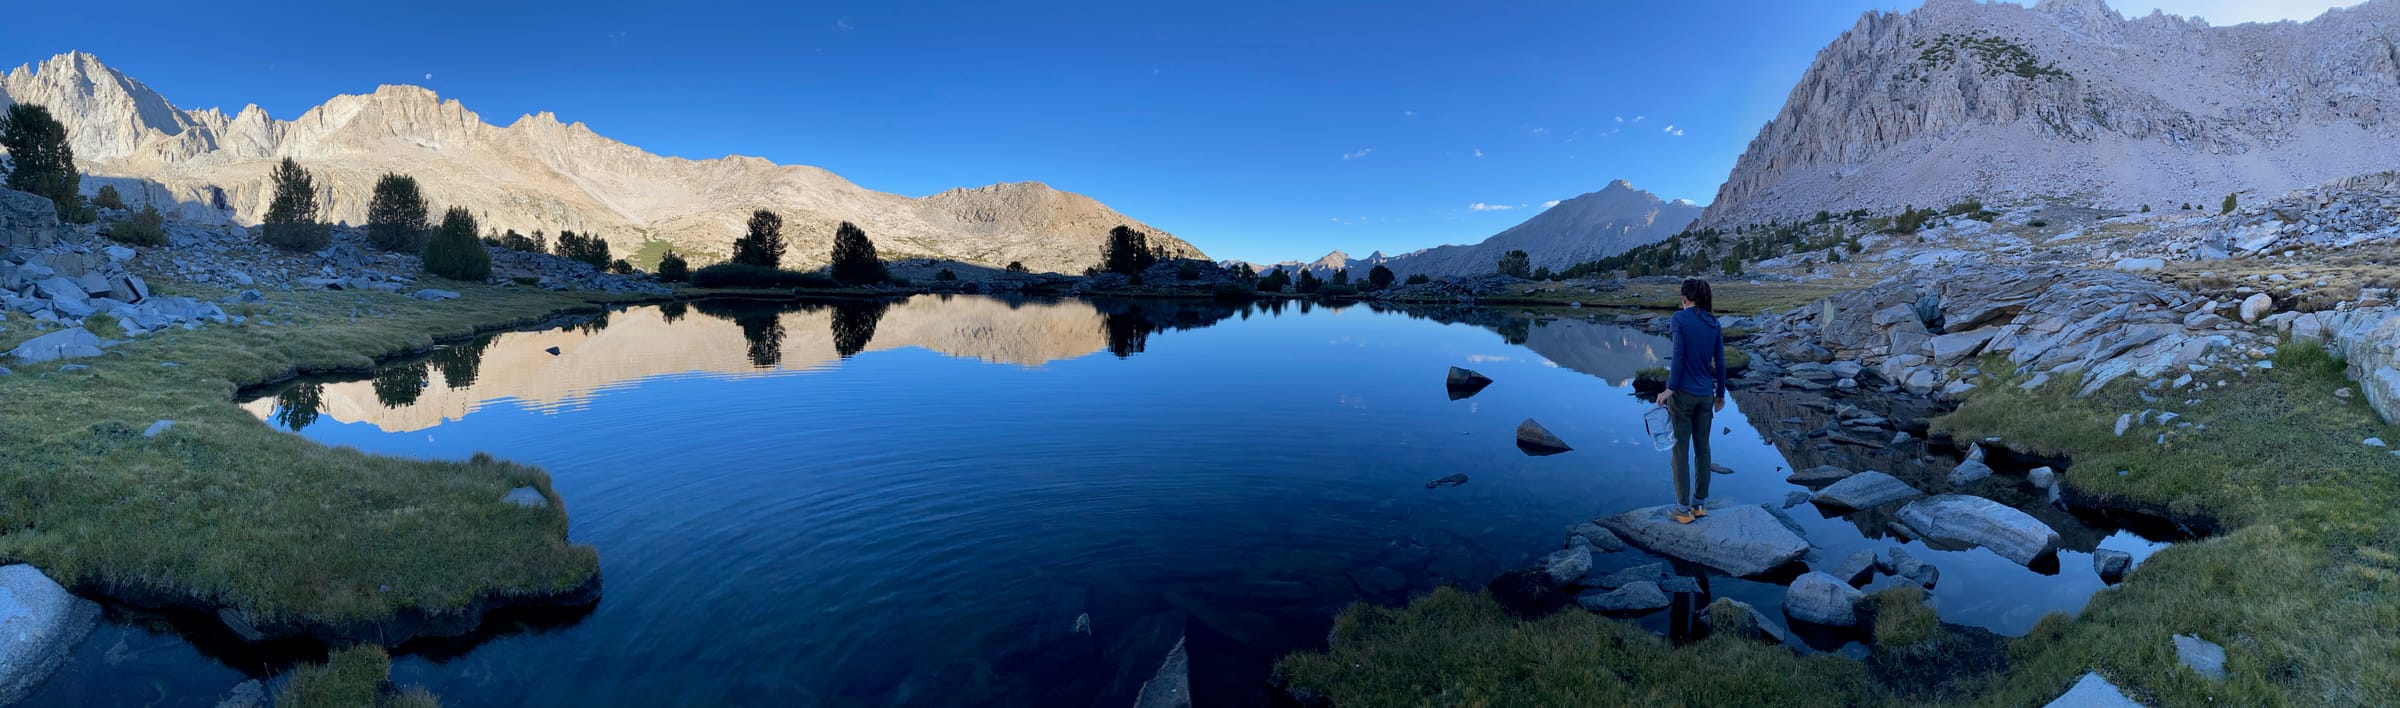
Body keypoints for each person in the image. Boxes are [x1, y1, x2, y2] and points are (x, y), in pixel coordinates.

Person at [1653, 278, 1727, 524]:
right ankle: (1700, 504)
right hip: (1706, 395)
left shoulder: (1679, 319)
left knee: (1680, 450)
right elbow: (1721, 361)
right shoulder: (1714, 323)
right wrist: (1720, 394)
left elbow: (1678, 355)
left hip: (1683, 395)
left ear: (1685, 298)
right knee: (1703, 448)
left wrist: (1669, 389)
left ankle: (1682, 509)